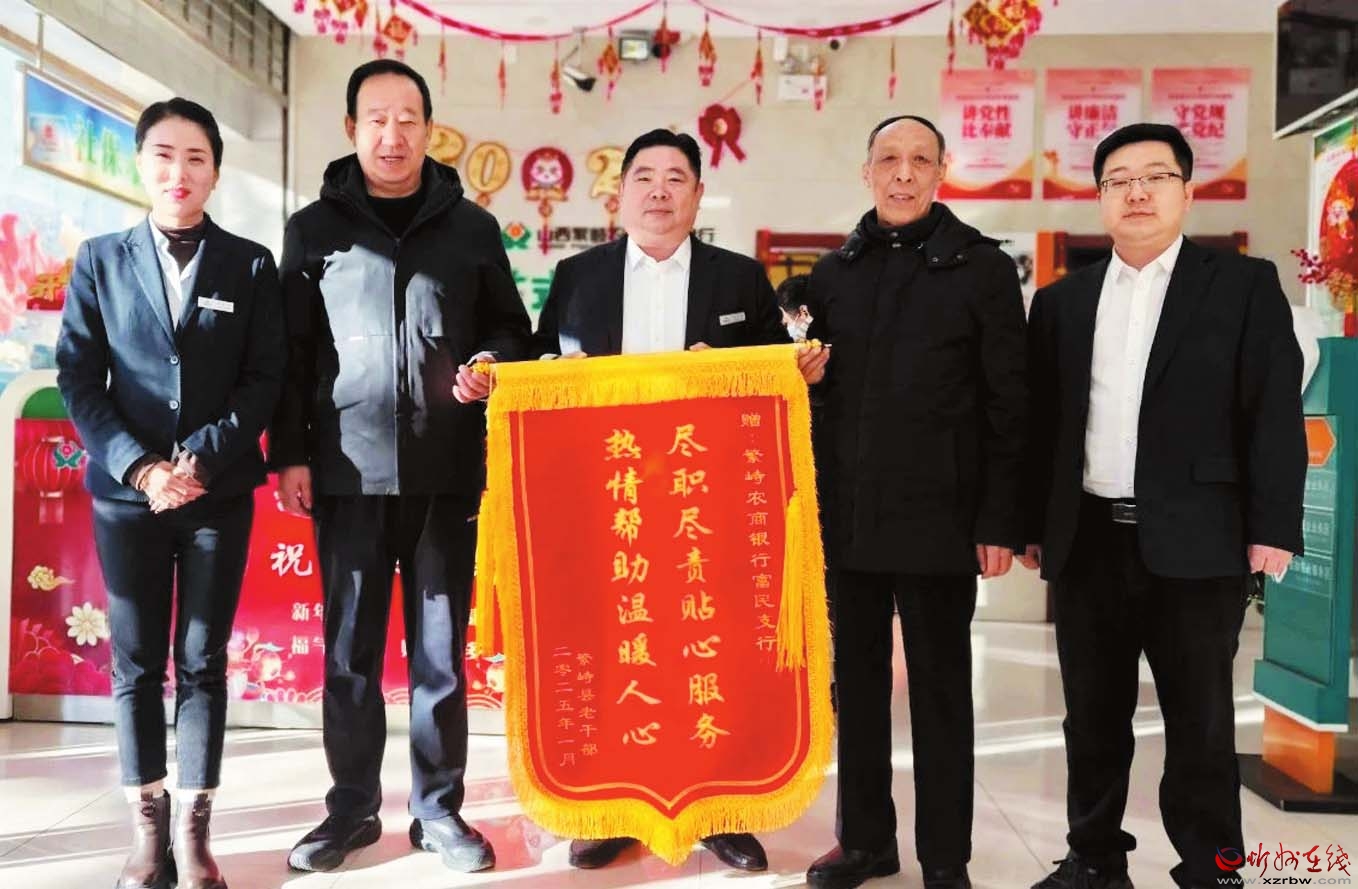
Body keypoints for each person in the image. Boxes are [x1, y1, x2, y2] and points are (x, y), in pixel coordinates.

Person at [455, 127, 827, 873]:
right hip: (608, 509)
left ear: (698, 195)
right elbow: (539, 362)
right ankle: (612, 809)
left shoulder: (738, 279)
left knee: (710, 652)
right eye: (645, 177)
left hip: (704, 512)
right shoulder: (578, 276)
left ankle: (720, 810)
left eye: (676, 178)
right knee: (616, 646)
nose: (660, 191)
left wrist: (799, 367)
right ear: (619, 194)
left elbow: (772, 369)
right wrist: (494, 369)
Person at [1021, 122, 1305, 889]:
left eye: (1155, 176)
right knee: (1091, 715)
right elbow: (1041, 425)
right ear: (1100, 198)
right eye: (1118, 180)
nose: (1137, 192)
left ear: (1187, 190)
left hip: (1201, 540)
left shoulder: (1242, 285)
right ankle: (1093, 857)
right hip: (1088, 541)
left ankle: (1212, 866)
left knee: (1201, 719)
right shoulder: (1062, 301)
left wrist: (1273, 527)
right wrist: (1031, 525)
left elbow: (1273, 413)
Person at [271, 59, 532, 875]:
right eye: (377, 118)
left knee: (441, 656)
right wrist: (290, 454)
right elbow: (290, 352)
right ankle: (350, 810)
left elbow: (512, 330)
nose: (393, 134)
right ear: (352, 128)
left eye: (408, 118)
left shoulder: (473, 228)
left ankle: (438, 810)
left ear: (429, 128)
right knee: (349, 654)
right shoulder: (313, 230)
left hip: (446, 468)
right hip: (346, 470)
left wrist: (490, 360)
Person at [56, 97, 285, 889]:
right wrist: (142, 468)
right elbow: (80, 378)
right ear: (140, 163)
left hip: (216, 493)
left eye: (195, 157)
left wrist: (201, 461)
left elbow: (264, 377)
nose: (178, 171)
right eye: (163, 154)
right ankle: (146, 829)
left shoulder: (250, 263)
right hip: (128, 498)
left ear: (216, 171)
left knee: (200, 659)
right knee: (135, 659)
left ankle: (194, 831)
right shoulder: (100, 259)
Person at [800, 115, 1028, 889]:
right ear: (866, 171)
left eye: (919, 160)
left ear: (941, 171)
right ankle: (866, 842)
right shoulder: (834, 274)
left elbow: (1010, 404)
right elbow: (818, 402)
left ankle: (944, 856)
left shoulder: (982, 269)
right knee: (858, 692)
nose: (903, 173)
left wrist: (1000, 519)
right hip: (849, 521)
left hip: (944, 520)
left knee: (940, 694)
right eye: (889, 159)